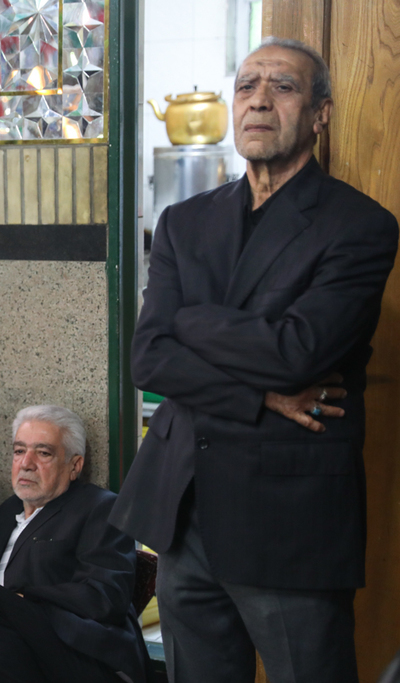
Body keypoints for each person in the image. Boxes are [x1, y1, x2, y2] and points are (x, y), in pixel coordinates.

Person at [110, 36, 399, 683]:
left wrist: (191, 320)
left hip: (289, 518)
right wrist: (261, 394)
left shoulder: (359, 225)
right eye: (247, 86)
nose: (259, 100)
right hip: (185, 507)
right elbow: (150, 359)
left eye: (283, 86)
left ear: (320, 113)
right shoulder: (184, 221)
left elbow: (296, 353)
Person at [0, 405, 145, 683]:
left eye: (43, 453)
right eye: (19, 451)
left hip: (81, 655)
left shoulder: (99, 507)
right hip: (14, 656)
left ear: (74, 466)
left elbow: (106, 597)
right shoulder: (4, 515)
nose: (26, 463)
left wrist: (26, 598)